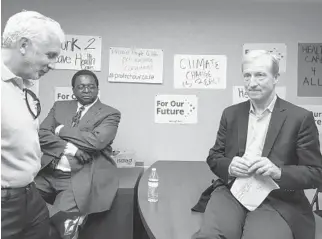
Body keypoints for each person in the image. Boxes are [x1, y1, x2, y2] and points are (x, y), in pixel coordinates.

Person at [193, 50, 322, 239]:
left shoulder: (300, 118)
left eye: (260, 75)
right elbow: (214, 157)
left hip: (277, 198)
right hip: (233, 191)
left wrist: (278, 171)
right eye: (247, 75)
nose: (252, 83)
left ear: (276, 77)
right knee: (210, 236)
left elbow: (316, 173)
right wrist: (229, 166)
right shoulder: (231, 114)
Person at [1, 10, 65, 239]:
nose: (54, 65)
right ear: (23, 45)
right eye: (50, 55)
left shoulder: (29, 80)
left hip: (30, 193)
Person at [35, 69, 121, 238]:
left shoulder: (109, 113)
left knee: (60, 219)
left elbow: (96, 142)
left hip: (79, 176)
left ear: (98, 88)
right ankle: (69, 223)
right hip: (47, 173)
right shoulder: (59, 106)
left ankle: (67, 225)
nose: (87, 91)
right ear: (73, 90)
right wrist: (71, 149)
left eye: (91, 87)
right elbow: (42, 134)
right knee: (19, 201)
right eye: (81, 87)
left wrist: (60, 129)